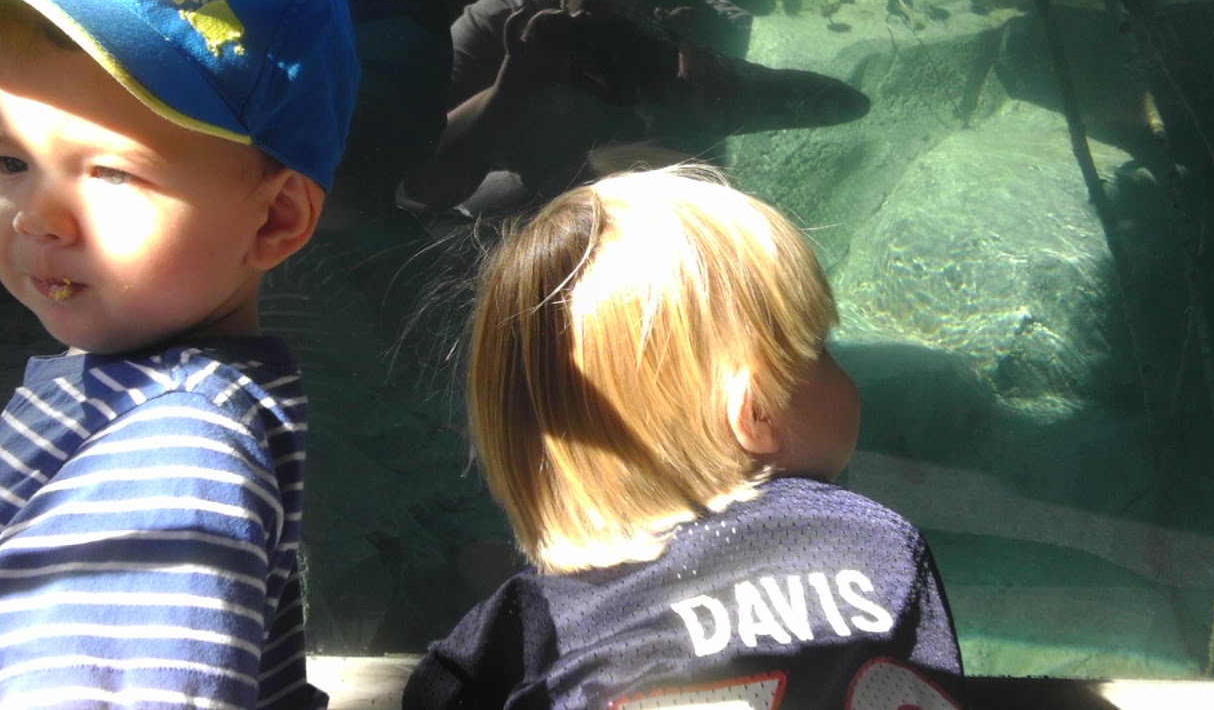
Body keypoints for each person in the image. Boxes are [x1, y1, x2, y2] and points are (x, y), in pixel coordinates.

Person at [0, 0, 358, 708]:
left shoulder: (168, 465)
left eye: (109, 172)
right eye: (9, 162)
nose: (38, 218)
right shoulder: (134, 398)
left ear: (274, 220)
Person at [402, 165, 964, 709]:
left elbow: (433, 691)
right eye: (821, 350)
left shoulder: (523, 621)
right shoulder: (877, 541)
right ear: (758, 413)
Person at [399, 0, 869, 217]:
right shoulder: (511, 19)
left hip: (662, 210)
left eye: (644, 3)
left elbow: (846, 105)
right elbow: (417, 189)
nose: (619, 20)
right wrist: (510, 89)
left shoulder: (702, 29)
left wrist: (712, 74)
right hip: (530, 206)